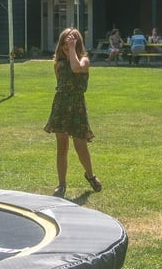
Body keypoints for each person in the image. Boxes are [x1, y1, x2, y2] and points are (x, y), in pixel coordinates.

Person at [44, 28, 102, 198]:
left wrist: (72, 50)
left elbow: (76, 69)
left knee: (80, 145)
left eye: (71, 44)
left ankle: (90, 175)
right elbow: (61, 84)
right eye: (64, 44)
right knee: (61, 146)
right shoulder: (58, 65)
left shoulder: (84, 61)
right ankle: (61, 184)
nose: (66, 47)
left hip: (77, 106)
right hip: (61, 105)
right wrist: (68, 49)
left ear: (78, 45)